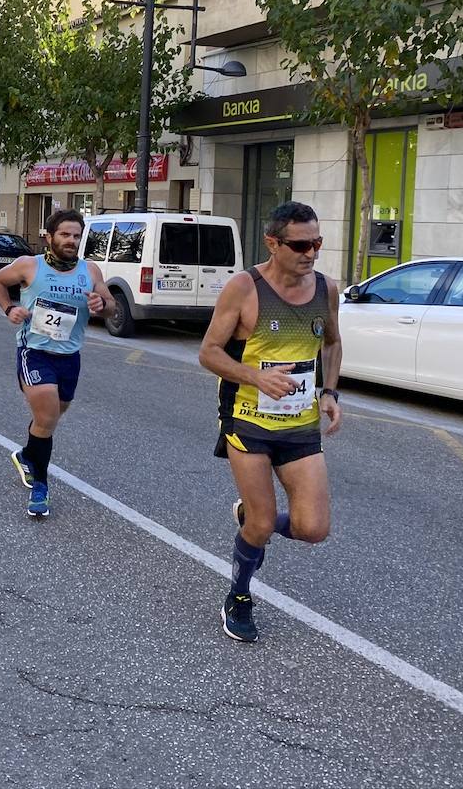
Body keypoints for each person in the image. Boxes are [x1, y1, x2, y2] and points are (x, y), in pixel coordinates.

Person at [199, 201, 342, 644]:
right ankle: (239, 596)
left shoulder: (326, 289)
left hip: (300, 425)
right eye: (300, 245)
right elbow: (209, 353)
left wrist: (330, 392)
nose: (311, 253)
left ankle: (251, 517)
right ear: (273, 243)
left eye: (317, 243)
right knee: (261, 526)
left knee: (313, 529)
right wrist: (255, 376)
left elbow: (332, 343)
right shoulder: (245, 288)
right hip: (248, 420)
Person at [0, 209, 111, 518]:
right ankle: (40, 487)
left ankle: (27, 454)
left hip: (69, 357)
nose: (71, 241)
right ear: (49, 237)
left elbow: (110, 306)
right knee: (47, 415)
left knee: (52, 418)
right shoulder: (29, 265)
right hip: (34, 351)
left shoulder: (90, 270)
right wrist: (9, 308)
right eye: (65, 235)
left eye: (76, 236)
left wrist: (102, 304)